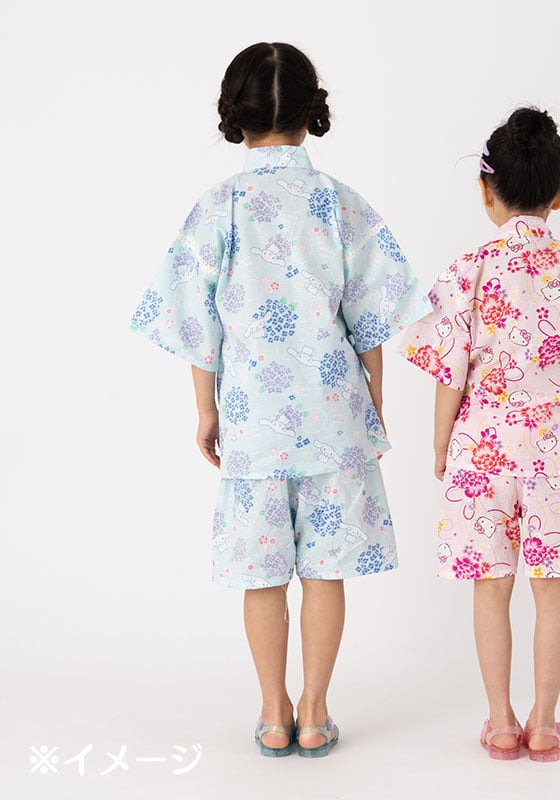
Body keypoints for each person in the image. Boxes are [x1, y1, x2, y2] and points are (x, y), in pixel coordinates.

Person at [130, 42, 430, 758]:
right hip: (333, 412)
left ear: (234, 116)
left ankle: (273, 713)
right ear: (309, 113)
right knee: (324, 568)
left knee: (261, 570)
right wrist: (373, 401)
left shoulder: (217, 208)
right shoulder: (340, 203)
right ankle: (317, 713)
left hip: (252, 418)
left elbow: (197, 324)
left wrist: (206, 411)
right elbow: (370, 319)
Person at [401, 107, 560, 761]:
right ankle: (544, 721)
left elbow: (448, 375)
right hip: (556, 453)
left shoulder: (467, 271)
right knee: (551, 584)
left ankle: (501, 721)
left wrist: (441, 444)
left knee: (491, 585)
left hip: (482, 452)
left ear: (485, 190)